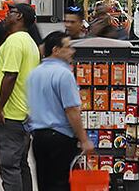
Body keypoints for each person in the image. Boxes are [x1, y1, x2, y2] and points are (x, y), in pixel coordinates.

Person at [27, 32, 95, 191]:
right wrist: (84, 139)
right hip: (60, 138)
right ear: (56, 50)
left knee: (44, 183)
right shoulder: (64, 74)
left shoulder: (34, 74)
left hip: (38, 138)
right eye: (68, 47)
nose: (72, 51)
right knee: (60, 184)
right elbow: (71, 110)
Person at [0, 3, 41, 191]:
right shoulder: (28, 41)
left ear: (20, 17)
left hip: (11, 116)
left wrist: (0, 107)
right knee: (21, 164)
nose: (6, 15)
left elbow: (10, 76)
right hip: (24, 112)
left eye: (11, 12)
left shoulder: (14, 42)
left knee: (9, 167)